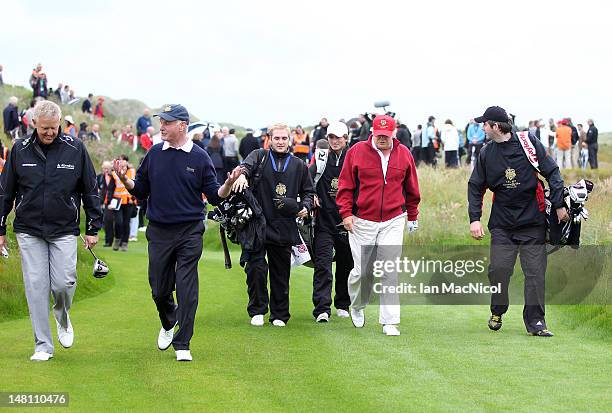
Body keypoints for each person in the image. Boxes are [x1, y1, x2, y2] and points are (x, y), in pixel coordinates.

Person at [112, 103, 241, 362]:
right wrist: (125, 180)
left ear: (182, 125)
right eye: (161, 122)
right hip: (159, 230)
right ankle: (169, 320)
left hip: (189, 231)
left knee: (186, 285)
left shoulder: (200, 156)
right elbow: (141, 191)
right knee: (159, 290)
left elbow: (215, 197)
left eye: (167, 122)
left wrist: (228, 183)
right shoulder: (154, 153)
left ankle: (183, 342)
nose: (162, 126)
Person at [0, 100, 102, 361]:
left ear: (60, 124)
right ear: (34, 123)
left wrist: (93, 226)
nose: (49, 133)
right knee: (35, 287)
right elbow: (5, 192)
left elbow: (90, 189)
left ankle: (63, 317)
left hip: (64, 229)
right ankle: (43, 345)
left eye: (54, 128)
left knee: (63, 283)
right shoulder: (19, 150)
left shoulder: (75, 148)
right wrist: (0, 228)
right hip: (29, 229)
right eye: (45, 128)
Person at [468, 106, 568, 337]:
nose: (482, 127)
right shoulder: (486, 153)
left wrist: (559, 203)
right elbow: (475, 186)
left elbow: (552, 172)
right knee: (499, 270)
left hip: (532, 221)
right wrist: (475, 219)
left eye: (485, 124)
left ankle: (536, 323)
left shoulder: (529, 143)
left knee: (534, 273)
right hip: (502, 224)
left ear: (496, 126)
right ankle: (498, 309)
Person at [336, 114, 420, 336]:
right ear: (372, 132)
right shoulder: (356, 152)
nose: (382, 138)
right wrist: (346, 214)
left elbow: (412, 189)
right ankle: (357, 305)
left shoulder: (404, 154)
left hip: (393, 219)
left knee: (389, 269)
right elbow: (345, 186)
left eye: (386, 135)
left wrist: (412, 216)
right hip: (362, 220)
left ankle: (389, 321)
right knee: (362, 271)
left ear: (394, 133)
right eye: (378, 134)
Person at [231, 123, 314, 327]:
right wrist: (241, 175)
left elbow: (308, 192)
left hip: (284, 225)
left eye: (284, 138)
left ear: (290, 140)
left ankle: (279, 314)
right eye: (276, 138)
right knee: (256, 269)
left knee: (281, 273)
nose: (280, 141)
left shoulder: (298, 165)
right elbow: (245, 168)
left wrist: (305, 207)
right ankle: (258, 310)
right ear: (269, 139)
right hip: (257, 224)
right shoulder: (258, 156)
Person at [309, 121, 353, 322]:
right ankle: (322, 309)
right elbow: (306, 180)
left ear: (346, 138)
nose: (335, 141)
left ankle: (343, 304)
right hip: (324, 221)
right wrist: (311, 196)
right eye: (331, 138)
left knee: (346, 265)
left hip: (346, 221)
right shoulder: (320, 157)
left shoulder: (353, 158)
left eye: (339, 137)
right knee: (323, 265)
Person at [109, 154, 135, 251]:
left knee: (126, 223)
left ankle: (124, 243)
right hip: (117, 200)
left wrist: (134, 199)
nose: (122, 162)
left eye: (123, 160)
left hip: (128, 201)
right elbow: (111, 188)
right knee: (118, 222)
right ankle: (117, 239)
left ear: (127, 162)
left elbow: (136, 185)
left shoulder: (132, 171)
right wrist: (110, 201)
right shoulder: (114, 173)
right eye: (120, 160)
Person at [97, 161, 115, 247]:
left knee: (109, 221)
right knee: (105, 221)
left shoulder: (114, 177)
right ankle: (108, 240)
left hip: (112, 202)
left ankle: (110, 240)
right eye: (104, 168)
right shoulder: (100, 177)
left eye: (107, 168)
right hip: (103, 202)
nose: (106, 170)